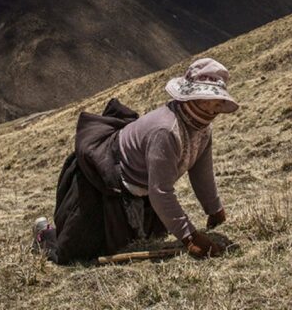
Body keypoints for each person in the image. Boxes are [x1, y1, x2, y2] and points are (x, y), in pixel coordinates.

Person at [35, 58, 237, 263]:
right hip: (102, 181)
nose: (217, 106)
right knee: (77, 253)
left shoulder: (201, 130)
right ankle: (44, 234)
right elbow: (161, 191)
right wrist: (190, 237)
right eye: (210, 98)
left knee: (135, 239)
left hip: (139, 190)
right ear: (194, 97)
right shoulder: (166, 131)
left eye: (218, 99)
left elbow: (201, 173)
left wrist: (215, 210)